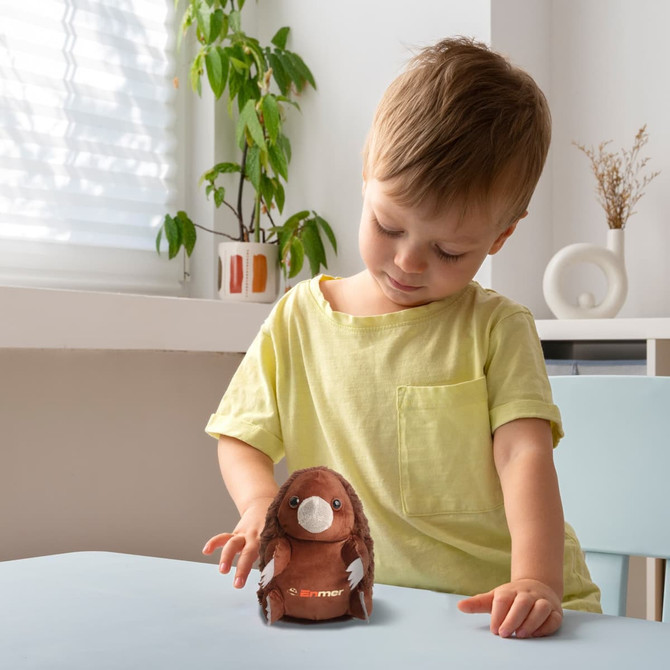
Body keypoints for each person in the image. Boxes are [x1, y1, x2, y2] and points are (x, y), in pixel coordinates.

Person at [202, 36, 601, 638]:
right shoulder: (298, 320)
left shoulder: (497, 327)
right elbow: (239, 437)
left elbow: (524, 455)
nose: (409, 262)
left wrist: (537, 581)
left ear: (500, 237)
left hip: (503, 613)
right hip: (375, 614)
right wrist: (259, 505)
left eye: (448, 250)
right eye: (388, 226)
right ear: (367, 172)